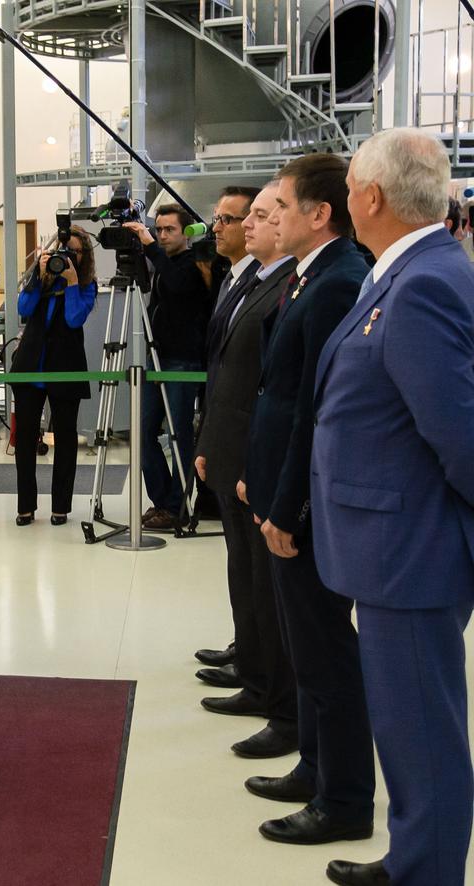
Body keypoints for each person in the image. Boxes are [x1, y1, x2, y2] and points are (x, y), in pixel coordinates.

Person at [315, 129, 474, 886]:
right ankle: (415, 856)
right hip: (397, 545)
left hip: (412, 550)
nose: (348, 198)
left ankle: (428, 872)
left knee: (422, 734)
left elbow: (462, 436)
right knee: (406, 730)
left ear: (371, 197)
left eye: (348, 186)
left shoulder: (426, 281)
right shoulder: (407, 270)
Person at [236, 153, 376, 849]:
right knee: (307, 647)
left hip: (308, 505)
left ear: (320, 214)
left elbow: (311, 411)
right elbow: (276, 394)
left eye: (282, 207)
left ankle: (345, 798)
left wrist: (285, 506)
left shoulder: (337, 283)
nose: (273, 218)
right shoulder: (308, 278)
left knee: (326, 656)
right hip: (281, 489)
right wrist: (258, 485)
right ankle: (316, 768)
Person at [193, 184, 299, 760]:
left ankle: (266, 684)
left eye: (259, 215)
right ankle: (251, 662)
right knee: (244, 568)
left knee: (264, 577)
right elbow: (223, 372)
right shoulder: (250, 281)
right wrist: (209, 439)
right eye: (245, 216)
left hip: (255, 453)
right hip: (231, 445)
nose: (247, 225)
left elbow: (272, 387)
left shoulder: (289, 284)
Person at [124, 205, 213, 530]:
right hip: (156, 359)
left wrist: (148, 246)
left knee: (179, 434)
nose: (161, 235)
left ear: (185, 233)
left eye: (168, 230)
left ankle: (177, 504)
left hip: (182, 360)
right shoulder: (164, 264)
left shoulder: (192, 265)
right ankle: (162, 500)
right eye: (158, 229)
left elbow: (176, 286)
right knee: (143, 431)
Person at [9, 226, 98, 526]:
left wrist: (71, 282)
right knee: (24, 439)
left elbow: (74, 318)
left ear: (84, 256)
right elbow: (23, 307)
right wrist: (38, 273)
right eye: (63, 252)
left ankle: (61, 506)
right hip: (30, 367)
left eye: (74, 252)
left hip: (66, 367)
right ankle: (25, 506)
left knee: (66, 438)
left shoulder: (87, 284)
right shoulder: (42, 280)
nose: (68, 257)